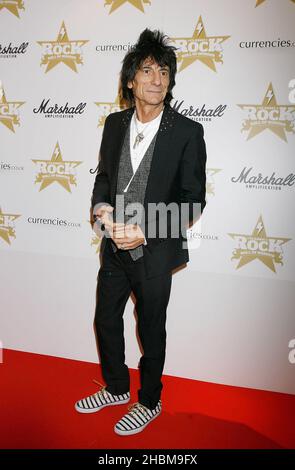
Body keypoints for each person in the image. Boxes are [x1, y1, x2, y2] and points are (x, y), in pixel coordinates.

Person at [75, 28, 207, 436]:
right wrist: (101, 210)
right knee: (106, 320)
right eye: (148, 70)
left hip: (154, 252)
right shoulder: (114, 124)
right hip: (113, 249)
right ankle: (116, 387)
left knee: (151, 329)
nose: (157, 80)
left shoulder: (186, 132)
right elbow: (104, 179)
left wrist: (144, 230)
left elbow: (193, 201)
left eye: (164, 72)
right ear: (130, 80)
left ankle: (149, 399)